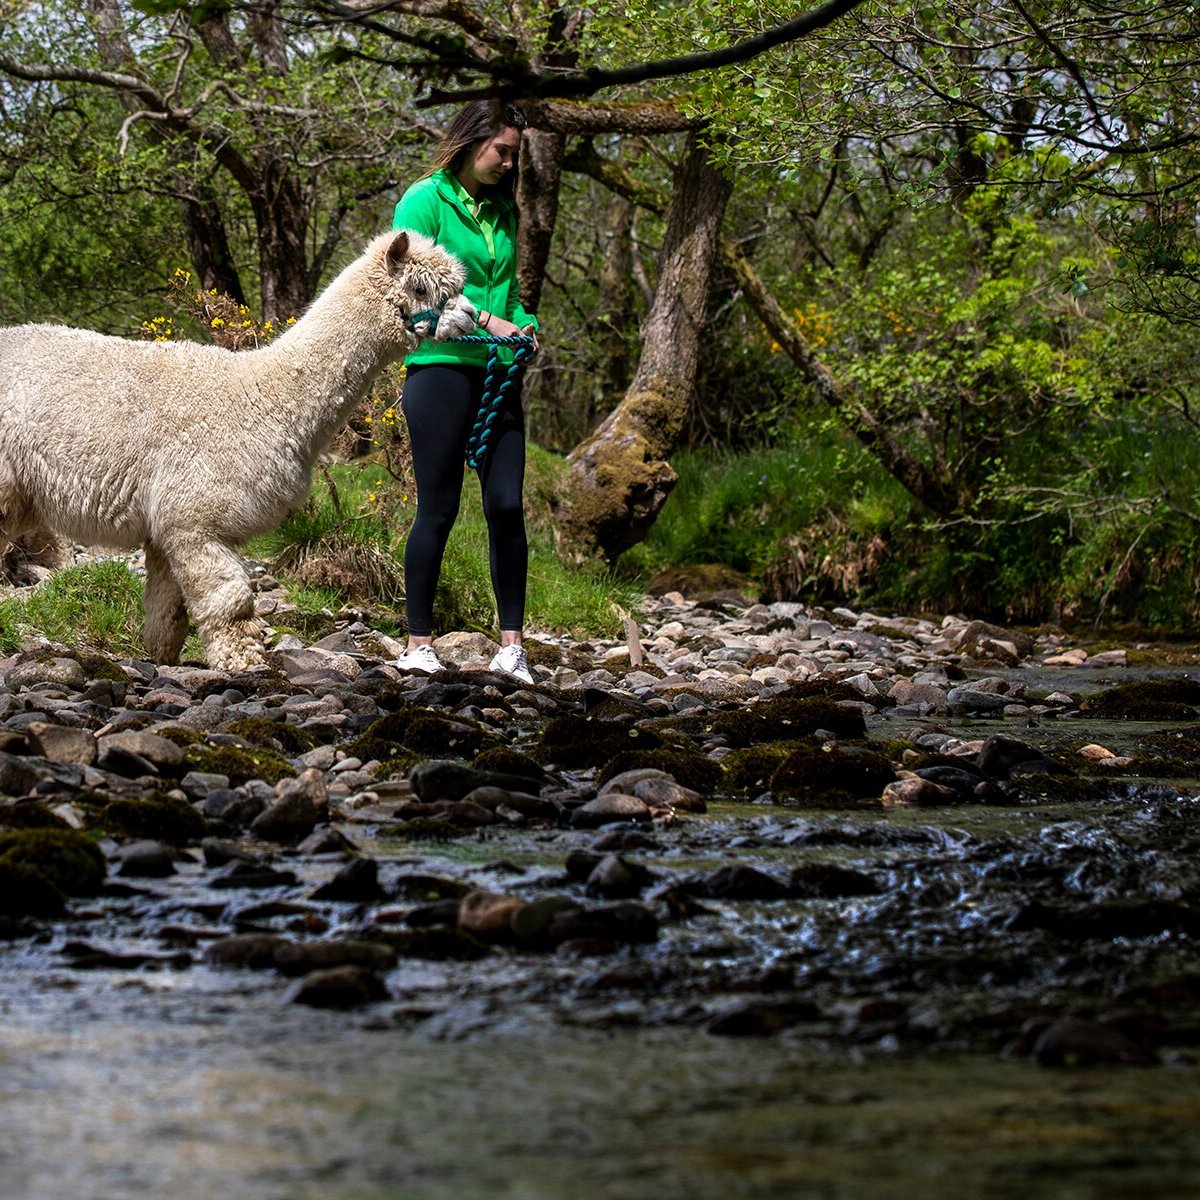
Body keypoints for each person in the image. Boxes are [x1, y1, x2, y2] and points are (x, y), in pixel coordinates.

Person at [391, 100, 540, 684]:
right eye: (501, 151)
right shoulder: (423, 200)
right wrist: (485, 321)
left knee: (506, 504)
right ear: (472, 140)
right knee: (440, 507)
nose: (508, 163)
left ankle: (512, 648)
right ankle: (418, 643)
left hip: (497, 370)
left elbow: (510, 290)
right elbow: (411, 283)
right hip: (439, 366)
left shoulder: (504, 209)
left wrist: (523, 322)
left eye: (514, 156)